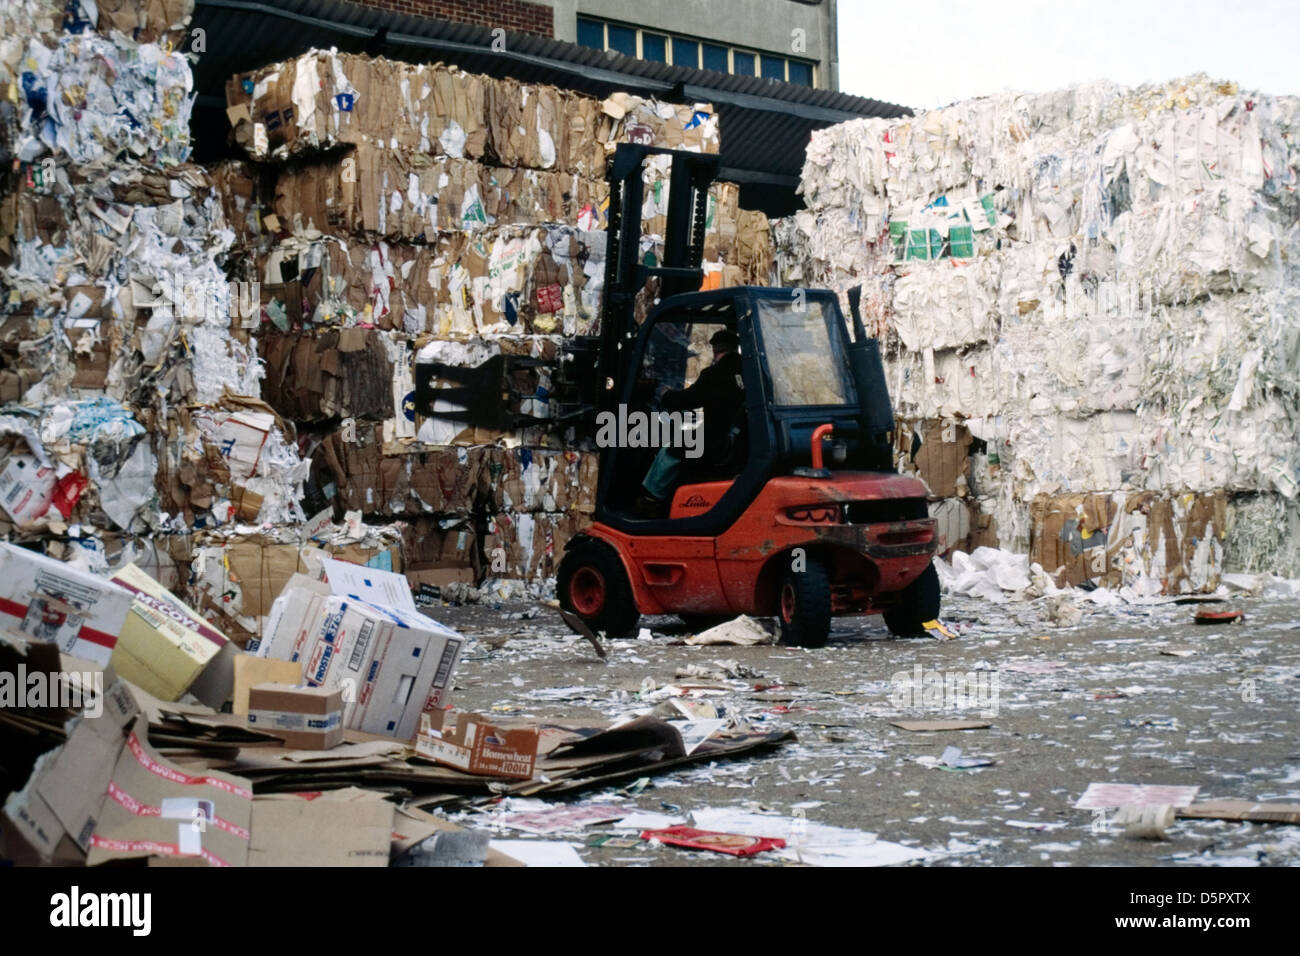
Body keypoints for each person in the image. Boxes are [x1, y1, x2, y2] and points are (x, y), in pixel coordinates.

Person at [635, 328, 745, 517]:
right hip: (737, 437)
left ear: (716, 348)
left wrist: (666, 394)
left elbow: (689, 400)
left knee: (670, 449)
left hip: (716, 439)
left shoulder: (715, 373)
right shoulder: (748, 371)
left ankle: (653, 498)